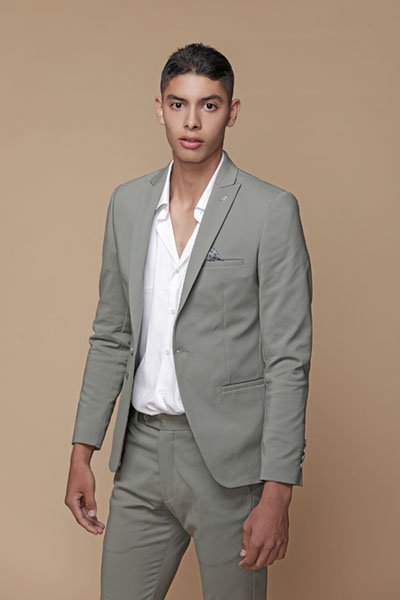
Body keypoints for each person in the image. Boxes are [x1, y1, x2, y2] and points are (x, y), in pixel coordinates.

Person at [65, 42, 313, 600]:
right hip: (140, 456)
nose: (192, 122)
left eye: (209, 105)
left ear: (232, 111)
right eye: (179, 104)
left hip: (230, 466)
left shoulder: (270, 210)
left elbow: (288, 360)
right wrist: (83, 449)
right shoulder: (128, 204)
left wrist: (277, 492)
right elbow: (111, 335)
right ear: (160, 108)